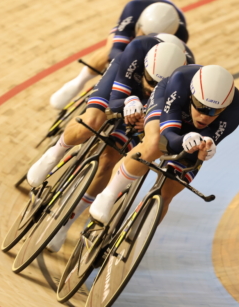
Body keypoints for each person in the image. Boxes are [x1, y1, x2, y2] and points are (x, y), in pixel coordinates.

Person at [27, 37, 187, 252]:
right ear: (146, 65)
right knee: (91, 122)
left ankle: (65, 222)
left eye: (158, 85)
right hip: (123, 89)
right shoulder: (137, 50)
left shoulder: (184, 80)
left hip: (151, 109)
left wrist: (147, 121)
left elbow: (168, 119)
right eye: (149, 81)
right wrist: (129, 101)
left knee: (109, 160)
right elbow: (114, 101)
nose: (151, 89)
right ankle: (54, 154)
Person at [89, 64, 239, 224]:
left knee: (167, 192)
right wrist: (183, 139)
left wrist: (206, 148)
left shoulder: (235, 111)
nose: (205, 117)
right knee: (155, 142)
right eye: (201, 107)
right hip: (167, 105)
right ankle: (108, 194)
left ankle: (135, 243)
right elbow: (168, 134)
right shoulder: (180, 79)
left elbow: (207, 140)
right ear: (191, 95)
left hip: (193, 130)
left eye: (214, 111)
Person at [50, 0, 189, 110]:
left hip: (164, 40)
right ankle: (79, 82)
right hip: (136, 16)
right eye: (142, 34)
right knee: (109, 51)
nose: (143, 39)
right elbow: (115, 50)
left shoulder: (179, 37)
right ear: (139, 25)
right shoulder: (133, 9)